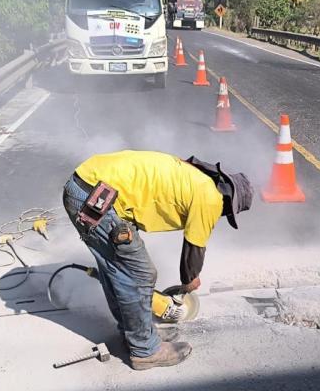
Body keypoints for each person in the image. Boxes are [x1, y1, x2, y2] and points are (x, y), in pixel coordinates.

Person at [62, 150, 253, 370]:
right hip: (97, 197)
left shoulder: (196, 177)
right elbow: (194, 246)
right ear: (230, 202)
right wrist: (190, 280)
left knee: (118, 268)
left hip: (88, 186)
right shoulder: (211, 198)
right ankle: (145, 350)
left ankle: (134, 333)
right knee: (139, 273)